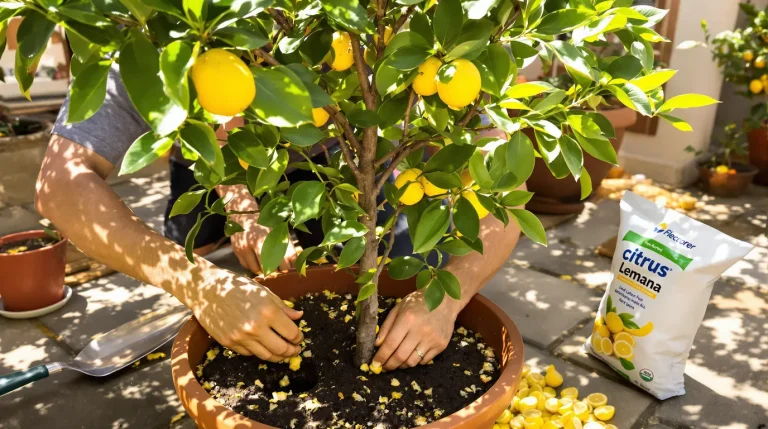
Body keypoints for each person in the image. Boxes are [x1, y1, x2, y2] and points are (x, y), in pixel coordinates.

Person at [35, 67, 523, 371]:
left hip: (349, 162)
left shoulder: (385, 39)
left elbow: (510, 190)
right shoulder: (146, 46)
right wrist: (200, 282)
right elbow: (60, 188)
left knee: (395, 265)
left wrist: (445, 299)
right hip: (207, 162)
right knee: (195, 246)